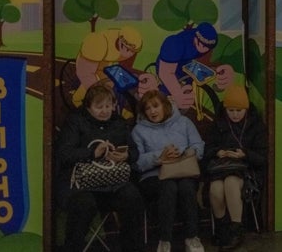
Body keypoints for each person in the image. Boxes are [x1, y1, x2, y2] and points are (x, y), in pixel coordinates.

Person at [55, 82, 145, 252]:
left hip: (112, 182)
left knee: (133, 198)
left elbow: (134, 151)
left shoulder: (119, 122)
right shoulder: (75, 121)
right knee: (83, 204)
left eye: (108, 106)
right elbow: (64, 154)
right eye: (99, 106)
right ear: (88, 107)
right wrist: (92, 153)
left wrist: (126, 156)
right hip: (79, 186)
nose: (104, 111)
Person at [132, 90, 206, 252]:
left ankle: (192, 238)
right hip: (153, 176)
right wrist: (160, 157)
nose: (152, 111)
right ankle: (164, 240)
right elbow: (136, 162)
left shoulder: (184, 122)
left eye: (156, 106)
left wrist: (184, 152)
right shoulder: (138, 130)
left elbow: (198, 146)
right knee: (169, 187)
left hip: (184, 170)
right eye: (148, 108)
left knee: (186, 187)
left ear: (165, 105)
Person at [205, 85, 268, 250]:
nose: (234, 114)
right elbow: (207, 150)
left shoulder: (256, 125)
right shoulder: (217, 124)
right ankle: (221, 229)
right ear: (225, 109)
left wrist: (244, 154)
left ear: (246, 109)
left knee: (231, 183)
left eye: (239, 110)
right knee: (215, 188)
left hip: (247, 170)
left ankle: (236, 229)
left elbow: (262, 158)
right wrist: (218, 152)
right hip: (221, 169)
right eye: (231, 110)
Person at [156, 22, 235, 109]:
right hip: (169, 64)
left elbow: (208, 61)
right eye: (201, 44)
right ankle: (161, 94)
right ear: (195, 38)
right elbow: (165, 73)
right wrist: (177, 94)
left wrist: (223, 71)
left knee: (196, 78)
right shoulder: (175, 43)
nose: (203, 49)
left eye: (207, 47)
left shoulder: (207, 46)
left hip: (187, 63)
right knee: (168, 90)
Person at [73, 26, 152, 106]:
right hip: (90, 57)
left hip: (105, 59)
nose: (130, 54)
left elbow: (126, 69)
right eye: (128, 50)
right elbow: (86, 73)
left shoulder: (131, 49)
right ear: (120, 43)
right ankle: (77, 100)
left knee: (109, 83)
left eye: (133, 52)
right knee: (93, 86)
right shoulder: (99, 41)